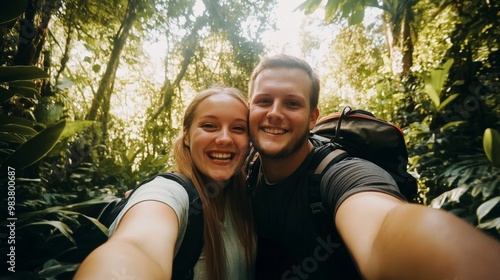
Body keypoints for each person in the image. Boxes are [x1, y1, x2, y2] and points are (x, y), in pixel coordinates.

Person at [246, 54, 500, 279]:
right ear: (248, 110)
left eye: (292, 103)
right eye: (264, 101)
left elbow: (383, 225)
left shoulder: (338, 173)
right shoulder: (246, 167)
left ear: (313, 117)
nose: (275, 113)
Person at [74, 87, 255, 280]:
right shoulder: (167, 192)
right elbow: (138, 247)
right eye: (209, 126)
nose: (225, 138)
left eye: (238, 128)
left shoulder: (247, 200)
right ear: (186, 135)